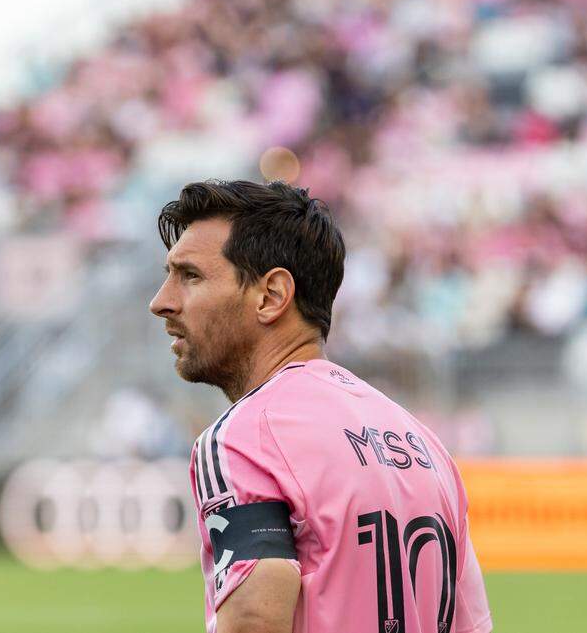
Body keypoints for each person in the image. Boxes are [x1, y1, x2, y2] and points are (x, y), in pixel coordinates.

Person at [149, 180, 492, 633]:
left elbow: (254, 620)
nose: (161, 302)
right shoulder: (424, 445)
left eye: (190, 276)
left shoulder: (242, 438)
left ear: (272, 295)